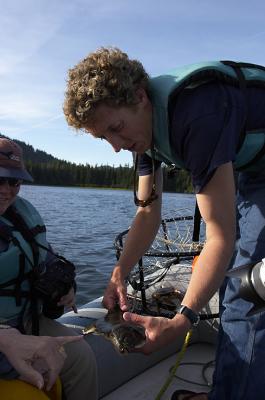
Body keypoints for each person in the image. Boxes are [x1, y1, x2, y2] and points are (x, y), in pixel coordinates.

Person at [63, 47, 265, 400]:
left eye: (116, 128)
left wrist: (182, 319)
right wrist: (119, 273)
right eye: (102, 137)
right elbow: (146, 213)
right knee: (228, 282)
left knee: (248, 294)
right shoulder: (142, 131)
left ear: (141, 96)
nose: (114, 146)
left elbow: (219, 237)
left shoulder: (196, 114)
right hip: (250, 167)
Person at [0, 138, 98, 399]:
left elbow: (47, 257)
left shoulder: (19, 216)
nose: (6, 190)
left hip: (25, 319)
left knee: (82, 358)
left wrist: (68, 288)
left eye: (14, 181)